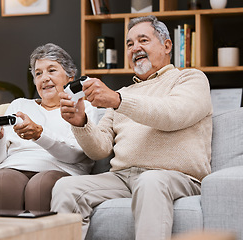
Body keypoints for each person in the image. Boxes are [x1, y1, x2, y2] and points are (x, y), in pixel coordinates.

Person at [52, 15, 213, 240]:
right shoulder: (123, 93)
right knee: (65, 187)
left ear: (167, 46)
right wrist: (81, 123)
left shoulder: (190, 79)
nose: (135, 48)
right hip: (122, 178)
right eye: (129, 44)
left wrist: (117, 100)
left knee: (150, 181)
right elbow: (99, 150)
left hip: (175, 176)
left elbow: (172, 114)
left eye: (143, 40)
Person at [0, 43, 98, 212]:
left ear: (70, 76)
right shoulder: (19, 105)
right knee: (3, 182)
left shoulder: (82, 108)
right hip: (13, 168)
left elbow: (78, 154)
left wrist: (39, 134)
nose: (44, 78)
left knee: (41, 186)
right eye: (38, 73)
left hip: (60, 170)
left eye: (52, 70)